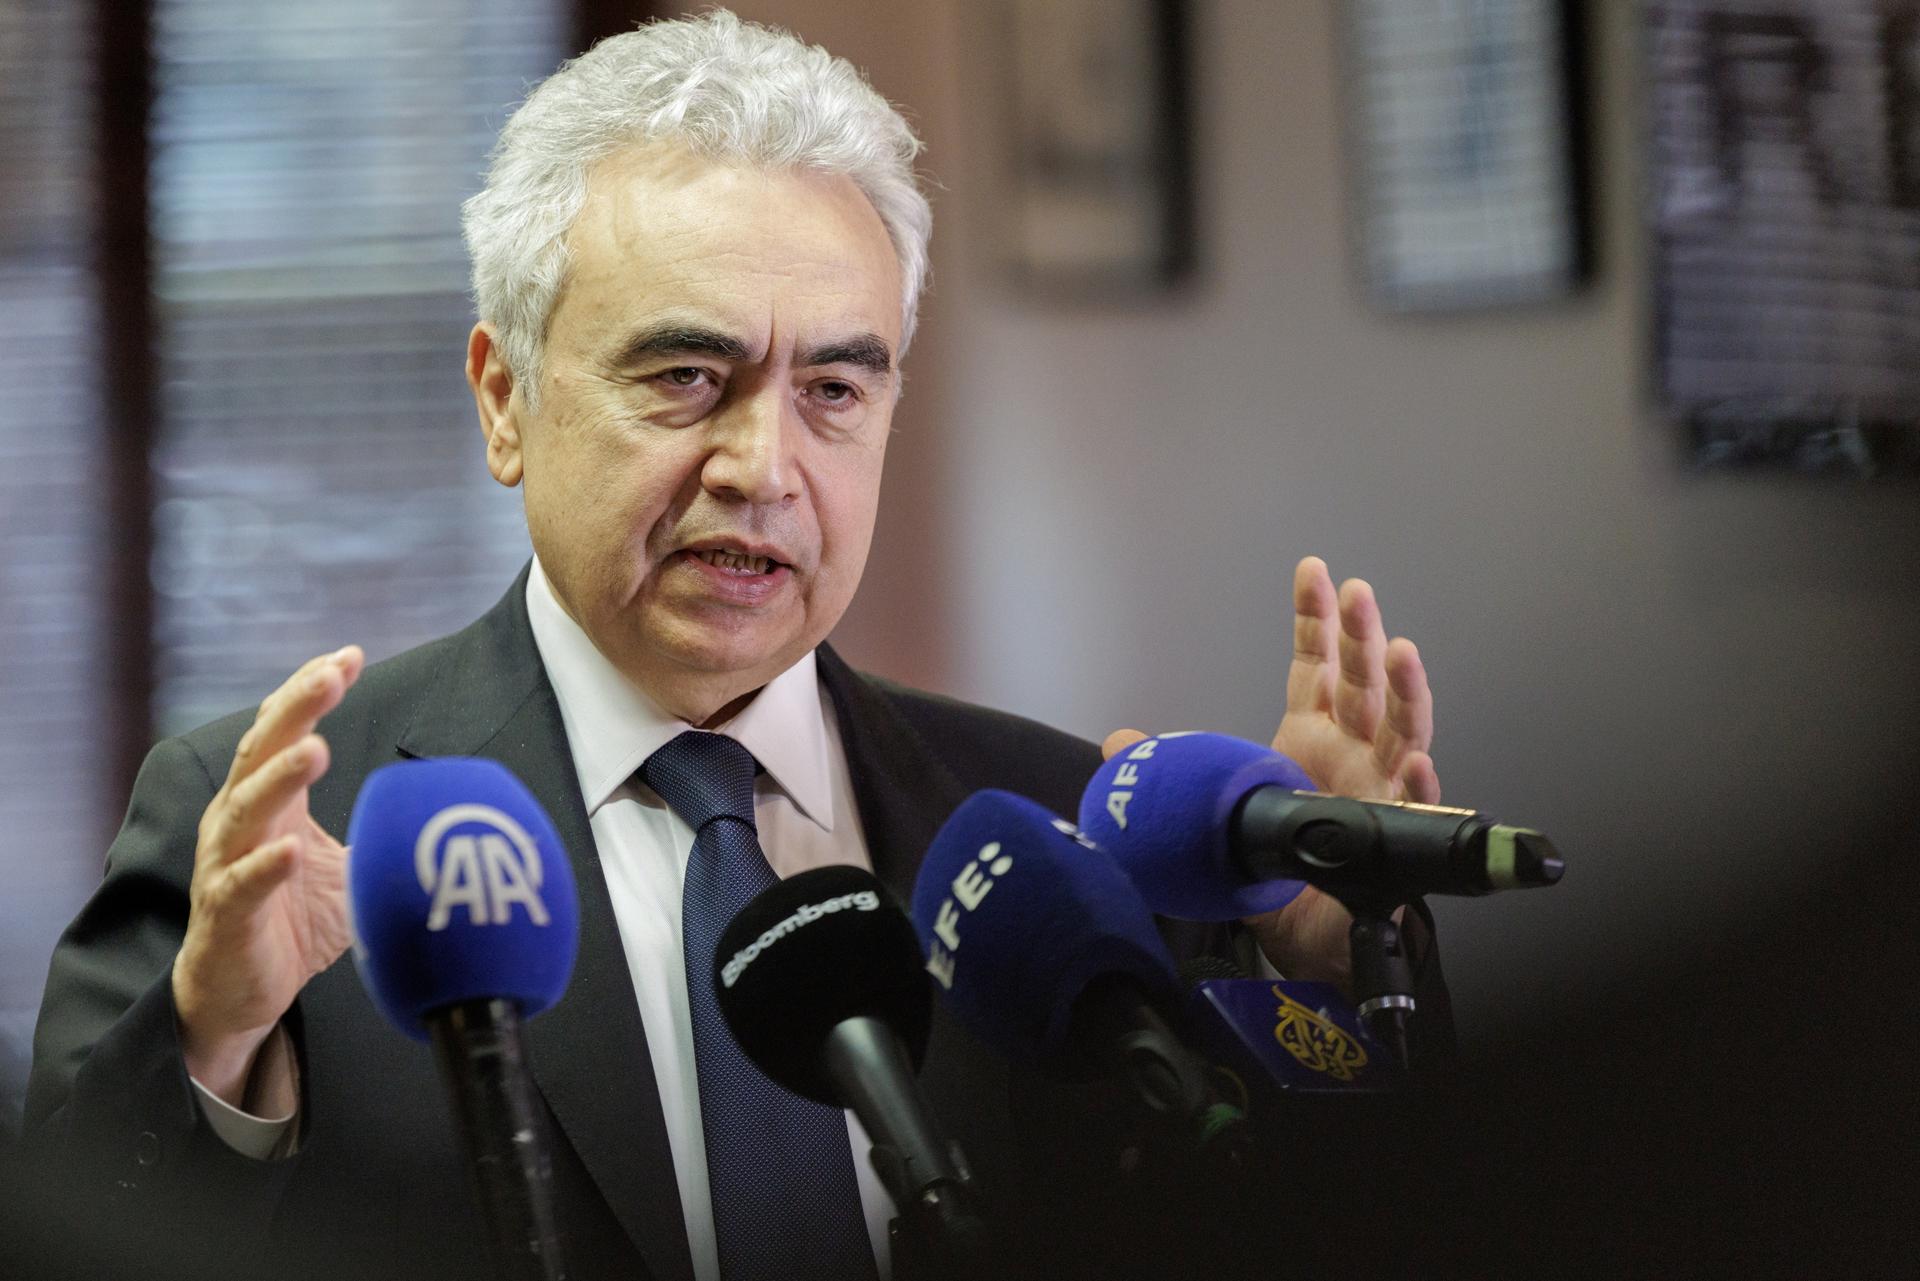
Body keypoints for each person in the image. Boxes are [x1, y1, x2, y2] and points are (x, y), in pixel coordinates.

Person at [25, 12, 1448, 1280]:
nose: (763, 463)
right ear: (504, 398)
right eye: (686, 376)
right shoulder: (289, 830)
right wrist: (211, 1041)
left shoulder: (1052, 834)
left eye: (835, 385)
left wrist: (1328, 960)